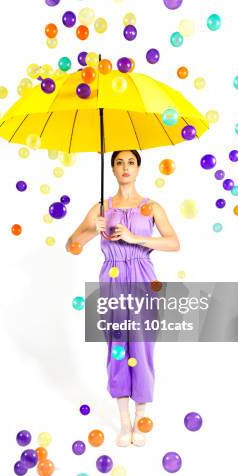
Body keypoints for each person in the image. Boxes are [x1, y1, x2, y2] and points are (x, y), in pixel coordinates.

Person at [66, 150, 180, 447]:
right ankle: (125, 423)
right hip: (113, 278)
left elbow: (174, 242)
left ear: (139, 168)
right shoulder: (102, 207)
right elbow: (72, 245)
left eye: (131, 162)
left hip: (143, 276)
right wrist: (93, 229)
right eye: (119, 163)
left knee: (141, 344)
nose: (125, 167)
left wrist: (134, 238)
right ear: (113, 170)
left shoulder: (151, 206)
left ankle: (141, 417)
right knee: (117, 345)